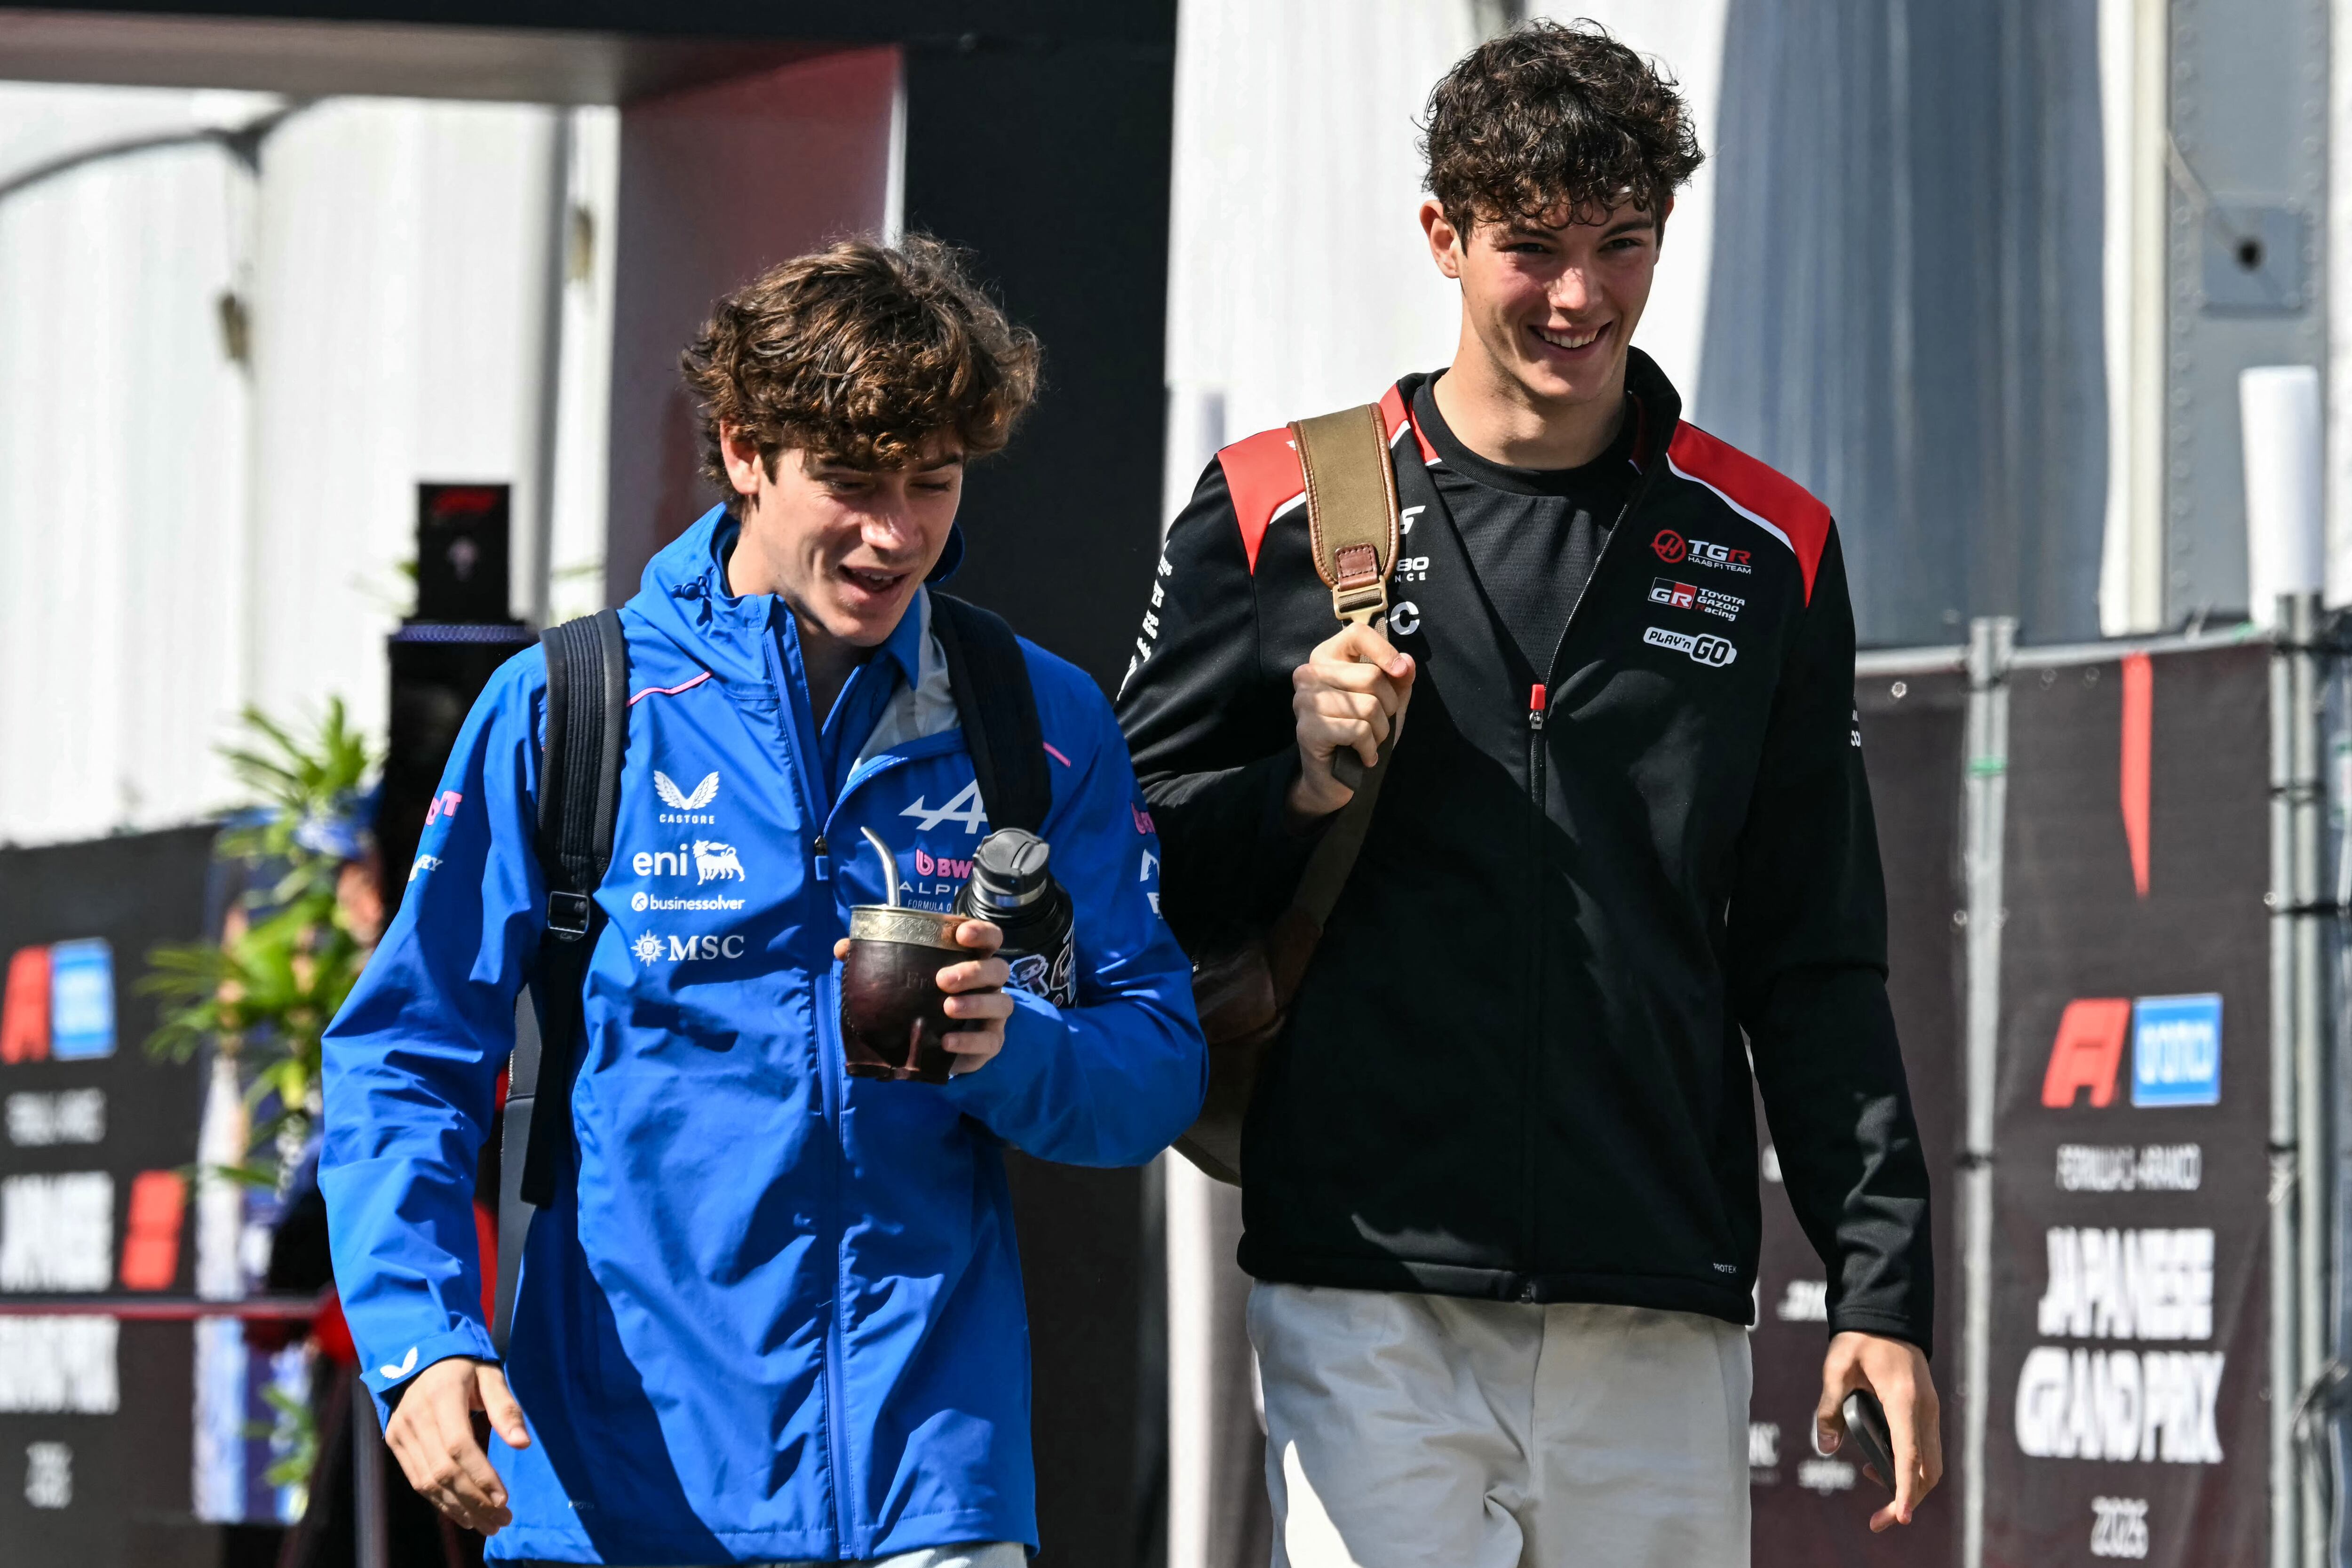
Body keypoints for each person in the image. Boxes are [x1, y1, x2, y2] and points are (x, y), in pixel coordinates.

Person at [1117, 21, 1939, 1566]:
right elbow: (1128, 868)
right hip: (1366, 1282)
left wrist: (1881, 1290)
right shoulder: (1268, 507)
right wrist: (1292, 784)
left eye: (1622, 243)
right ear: (1443, 236)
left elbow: (1815, 953)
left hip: (1660, 1295)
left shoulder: (1774, 546)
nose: (1580, 296)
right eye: (1532, 249)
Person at [322, 236, 1206, 1567]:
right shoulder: (574, 710)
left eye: (936, 483)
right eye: (851, 482)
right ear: (743, 451)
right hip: (620, 1488)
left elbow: (1156, 1068)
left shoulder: (1039, 719)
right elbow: (403, 1056)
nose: (896, 533)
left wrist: (1014, 1047)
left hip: (932, 1492)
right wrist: (421, 1340)